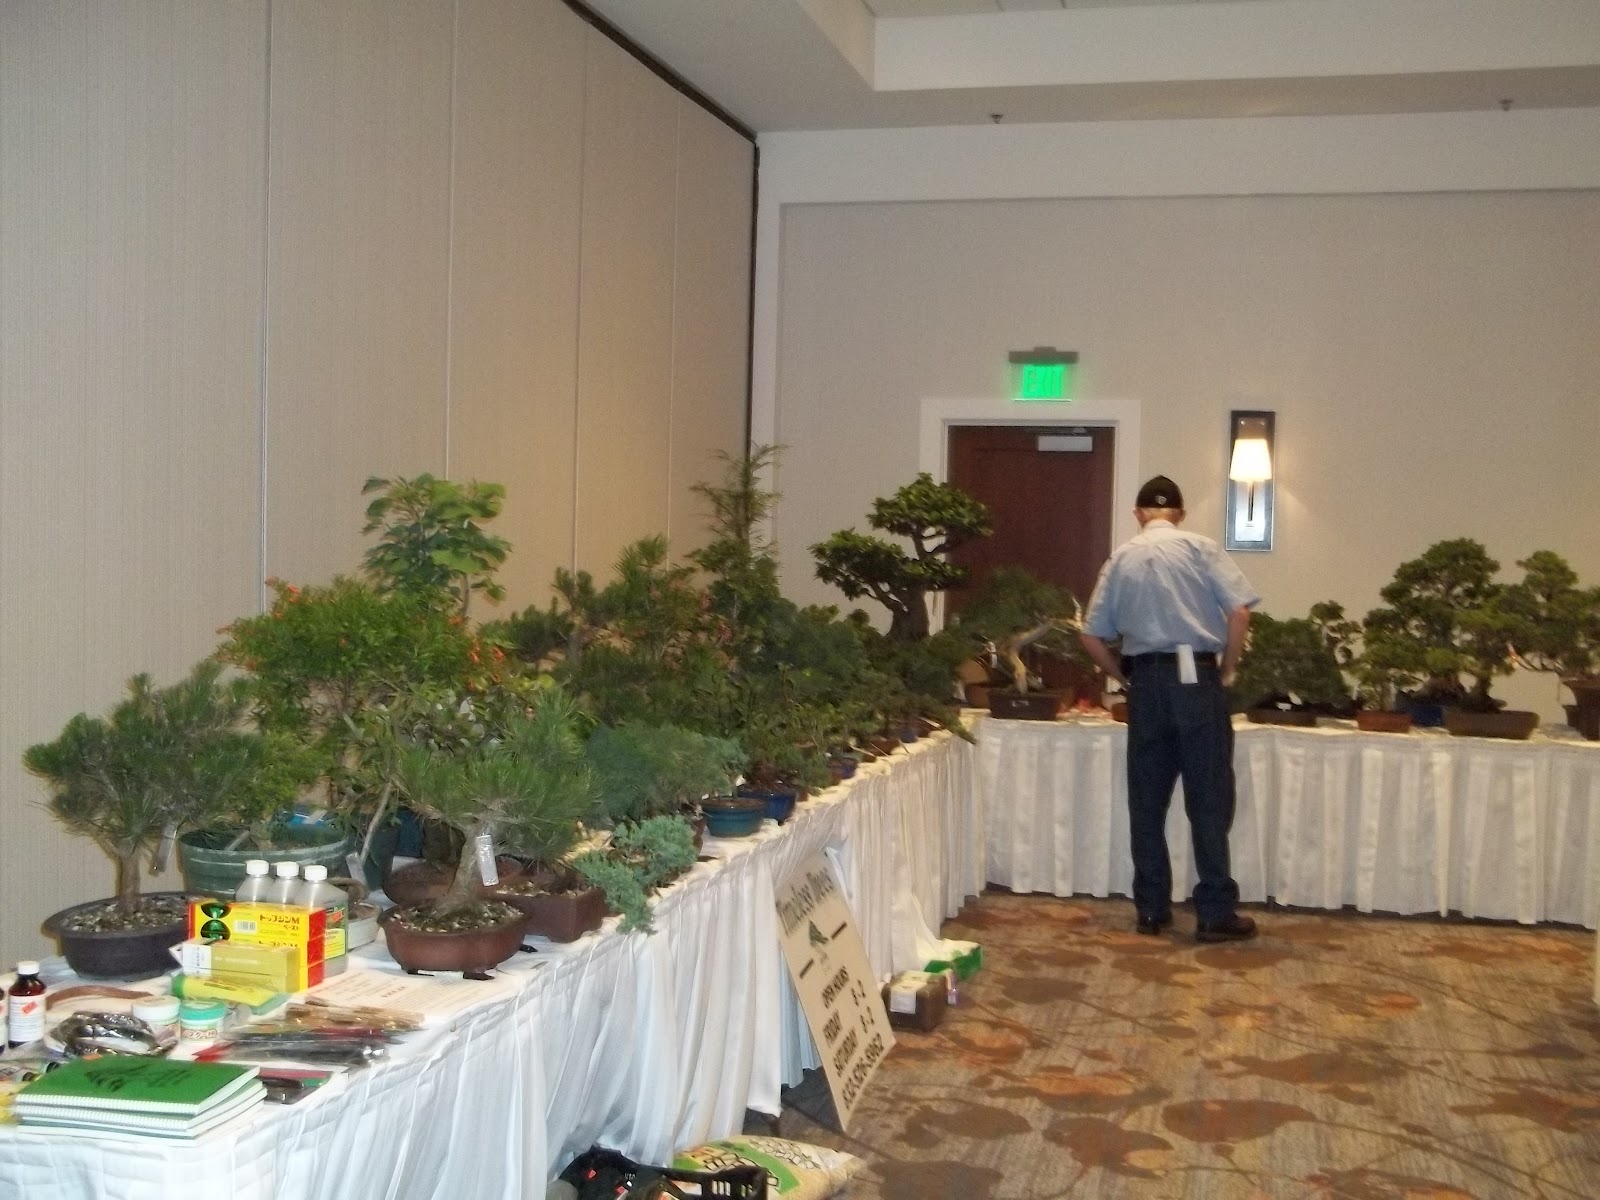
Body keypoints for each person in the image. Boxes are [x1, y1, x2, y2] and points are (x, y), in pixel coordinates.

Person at [1079, 475, 1260, 943]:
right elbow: (1239, 612)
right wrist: (1226, 669)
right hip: (1197, 679)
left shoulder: (1121, 557)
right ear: (1179, 514)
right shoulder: (1201, 548)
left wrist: (1123, 678)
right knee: (1210, 799)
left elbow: (1090, 634)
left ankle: (1152, 911)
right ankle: (1215, 913)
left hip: (1149, 683)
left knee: (1147, 801)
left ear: (1139, 514)